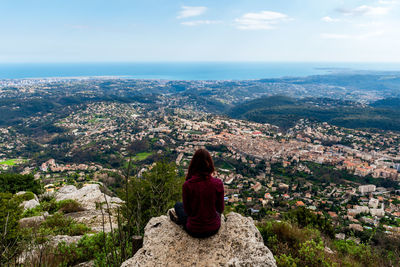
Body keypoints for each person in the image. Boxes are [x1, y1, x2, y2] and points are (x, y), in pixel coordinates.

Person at [169, 148, 224, 238]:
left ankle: (179, 221)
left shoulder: (188, 185)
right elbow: (220, 209)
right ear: (210, 164)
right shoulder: (218, 183)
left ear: (193, 165)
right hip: (214, 228)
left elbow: (188, 212)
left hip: (194, 230)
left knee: (178, 205)